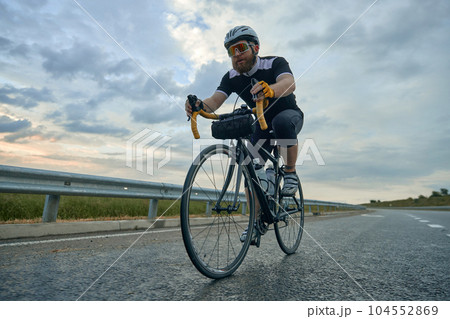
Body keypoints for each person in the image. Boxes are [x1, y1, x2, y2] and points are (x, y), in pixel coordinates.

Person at [185, 26, 304, 240]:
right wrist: (199, 105)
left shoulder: (275, 62)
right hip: (261, 123)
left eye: (241, 48)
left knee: (281, 121)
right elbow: (214, 102)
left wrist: (270, 89)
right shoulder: (231, 77)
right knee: (250, 167)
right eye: (231, 51)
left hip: (288, 115)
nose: (236, 55)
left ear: (255, 48)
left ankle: (290, 172)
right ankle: (256, 221)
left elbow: (289, 83)